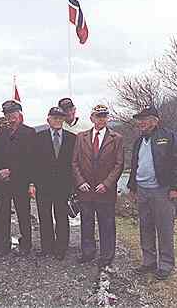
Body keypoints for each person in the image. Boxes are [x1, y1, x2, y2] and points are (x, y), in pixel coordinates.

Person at [127, 105, 177, 280]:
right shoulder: (138, 141)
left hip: (162, 190)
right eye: (139, 120)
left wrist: (176, 187)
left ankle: (166, 264)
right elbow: (134, 165)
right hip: (143, 190)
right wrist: (132, 187)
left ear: (154, 120)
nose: (141, 123)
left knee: (164, 229)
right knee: (145, 227)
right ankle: (149, 262)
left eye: (144, 119)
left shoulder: (168, 136)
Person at [72, 105, 124, 271]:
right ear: (91, 118)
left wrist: (107, 184)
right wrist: (80, 182)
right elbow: (74, 162)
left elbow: (119, 164)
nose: (101, 119)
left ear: (107, 118)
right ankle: (88, 252)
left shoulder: (116, 138)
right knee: (86, 222)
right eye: (98, 116)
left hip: (105, 191)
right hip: (85, 190)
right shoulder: (81, 137)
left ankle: (107, 256)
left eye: (104, 116)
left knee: (107, 223)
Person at [0, 100, 36, 256]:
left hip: (20, 180)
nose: (11, 117)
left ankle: (26, 244)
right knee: (3, 214)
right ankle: (4, 244)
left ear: (19, 114)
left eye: (13, 114)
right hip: (2, 181)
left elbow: (30, 159)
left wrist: (11, 171)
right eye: (7, 114)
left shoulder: (29, 133)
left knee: (23, 214)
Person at [33, 107, 76, 260]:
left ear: (63, 120)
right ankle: (47, 247)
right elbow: (32, 163)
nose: (58, 121)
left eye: (60, 118)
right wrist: (33, 183)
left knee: (61, 217)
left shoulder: (72, 138)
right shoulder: (38, 137)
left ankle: (61, 248)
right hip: (43, 185)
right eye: (55, 118)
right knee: (44, 217)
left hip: (63, 186)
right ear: (48, 120)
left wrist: (73, 186)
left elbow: (74, 164)